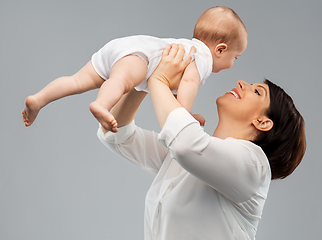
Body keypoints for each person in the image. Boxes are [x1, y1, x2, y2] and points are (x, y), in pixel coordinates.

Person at [97, 44, 306, 239]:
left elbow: (185, 144)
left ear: (262, 122)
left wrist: (159, 78)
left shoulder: (254, 168)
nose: (242, 83)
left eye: (257, 91)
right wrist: (144, 76)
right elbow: (118, 135)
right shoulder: (192, 156)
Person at [22, 6, 247, 132]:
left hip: (124, 46)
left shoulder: (187, 47)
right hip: (140, 57)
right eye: (235, 57)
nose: (233, 63)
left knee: (77, 81)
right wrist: (183, 114)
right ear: (220, 49)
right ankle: (102, 104)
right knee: (120, 82)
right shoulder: (203, 58)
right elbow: (188, 84)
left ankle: (38, 99)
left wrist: (185, 111)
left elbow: (169, 92)